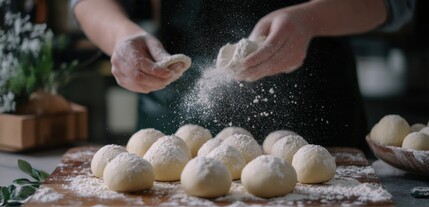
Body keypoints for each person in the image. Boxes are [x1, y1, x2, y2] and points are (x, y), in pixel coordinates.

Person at [71, 0, 414, 149]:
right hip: (173, 128)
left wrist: (312, 20)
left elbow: (397, 4)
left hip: (316, 124)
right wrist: (120, 35)